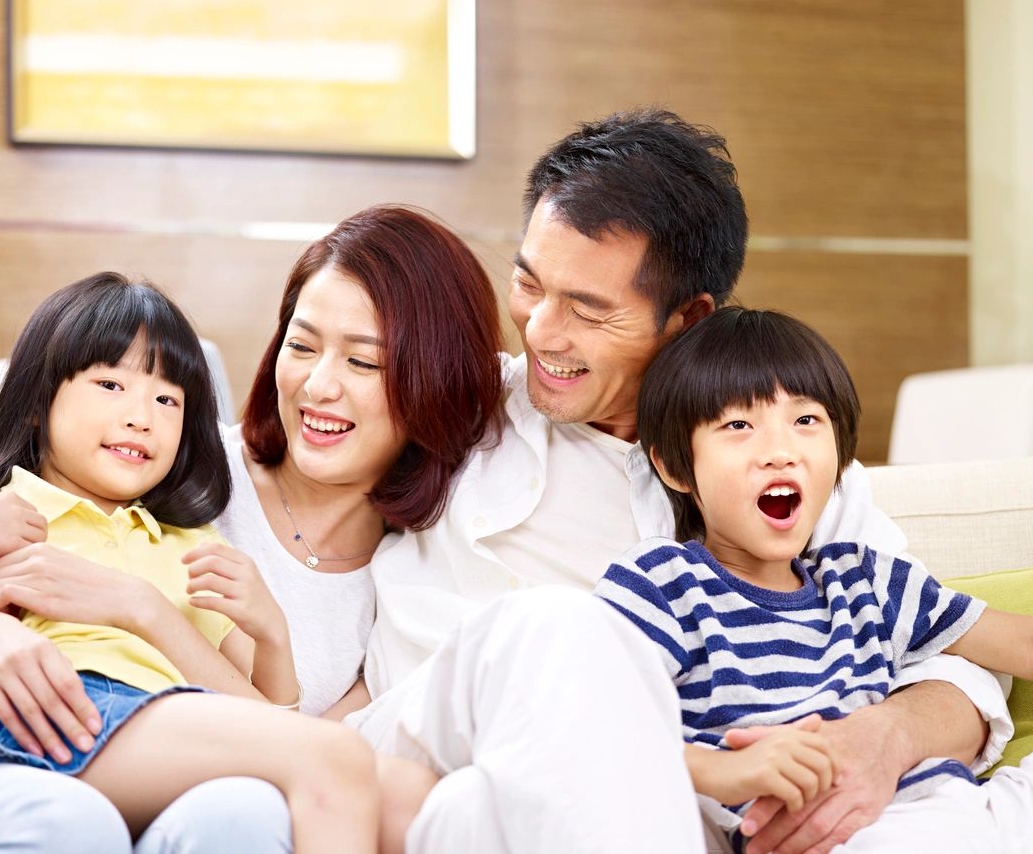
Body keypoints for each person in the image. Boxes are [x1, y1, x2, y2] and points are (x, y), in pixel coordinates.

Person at [352, 109, 1013, 853]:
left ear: (687, 318)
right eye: (529, 283)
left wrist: (886, 733)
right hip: (432, 769)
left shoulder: (790, 474)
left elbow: (959, 667)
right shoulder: (449, 407)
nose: (539, 329)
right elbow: (271, 469)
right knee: (555, 638)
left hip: (656, 818)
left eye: (587, 309)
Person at [0, 218, 504, 854]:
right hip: (63, 716)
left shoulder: (181, 538)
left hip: (170, 734)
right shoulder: (32, 507)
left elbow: (260, 707)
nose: (140, 418)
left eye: (167, 401)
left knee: (332, 791)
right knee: (328, 758)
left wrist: (215, 621)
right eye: (300, 346)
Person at [595, 305, 1033, 852]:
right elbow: (595, 725)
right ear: (675, 467)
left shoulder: (863, 579)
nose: (780, 452)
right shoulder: (661, 584)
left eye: (806, 421)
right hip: (831, 834)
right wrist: (717, 769)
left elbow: (1016, 640)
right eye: (738, 426)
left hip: (952, 808)